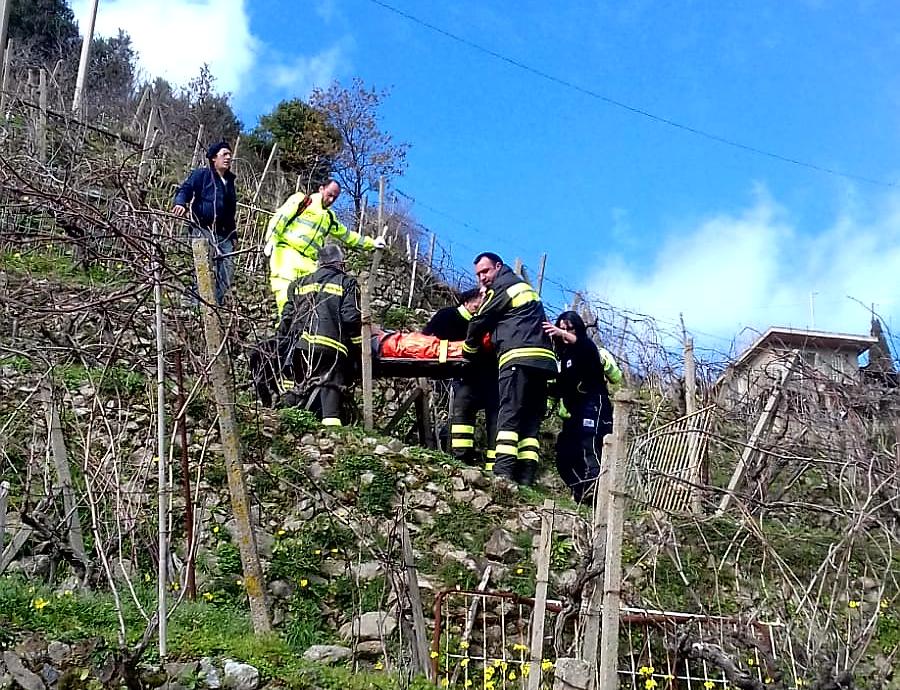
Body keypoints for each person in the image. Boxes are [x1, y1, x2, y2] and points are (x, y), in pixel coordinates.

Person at [462, 252, 557, 485]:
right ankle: (525, 477)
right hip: (542, 362)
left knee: (509, 414)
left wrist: (469, 349)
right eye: (478, 275)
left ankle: (502, 474)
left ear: (498, 267)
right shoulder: (524, 288)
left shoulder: (504, 287)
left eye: (485, 271)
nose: (482, 278)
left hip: (517, 357)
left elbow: (479, 320)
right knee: (530, 422)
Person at [264, 179, 385, 315]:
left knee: (308, 302)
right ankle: (284, 332)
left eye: (335, 197)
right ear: (321, 189)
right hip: (287, 255)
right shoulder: (302, 201)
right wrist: (271, 239)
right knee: (285, 296)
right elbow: (281, 218)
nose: (331, 199)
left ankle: (298, 333)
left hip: (309, 263)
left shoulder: (329, 217)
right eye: (329, 194)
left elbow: (348, 236)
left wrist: (372, 243)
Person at [277, 243, 362, 427]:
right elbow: (350, 318)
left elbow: (286, 318)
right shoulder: (347, 282)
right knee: (330, 390)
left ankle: (284, 425)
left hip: (299, 349)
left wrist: (283, 346)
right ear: (340, 264)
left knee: (298, 388)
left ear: (319, 263)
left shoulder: (298, 284)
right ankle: (332, 438)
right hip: (331, 349)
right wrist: (358, 347)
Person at [544, 311, 622, 502]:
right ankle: (582, 492)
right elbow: (555, 389)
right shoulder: (560, 359)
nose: (564, 332)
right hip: (573, 412)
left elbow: (583, 346)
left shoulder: (588, 348)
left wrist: (563, 333)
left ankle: (598, 490)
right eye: (561, 328)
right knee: (565, 453)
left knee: (590, 444)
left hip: (593, 404)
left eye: (569, 328)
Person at [423, 288, 498, 466]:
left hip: (486, 376)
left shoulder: (487, 322)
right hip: (456, 375)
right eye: (480, 302)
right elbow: (426, 340)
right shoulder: (447, 316)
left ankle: (492, 464)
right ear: (468, 302)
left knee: (491, 418)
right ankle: (461, 457)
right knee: (462, 414)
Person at [173, 141, 237, 304]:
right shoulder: (202, 175)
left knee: (228, 269)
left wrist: (233, 234)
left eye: (230, 154)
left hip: (224, 233)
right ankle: (194, 302)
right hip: (203, 227)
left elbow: (231, 212)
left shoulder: (230, 182)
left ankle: (214, 304)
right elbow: (185, 189)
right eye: (224, 154)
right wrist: (180, 203)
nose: (228, 157)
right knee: (203, 265)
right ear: (214, 158)